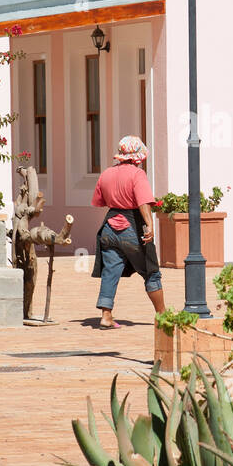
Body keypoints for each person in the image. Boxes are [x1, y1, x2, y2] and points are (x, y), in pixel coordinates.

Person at [91, 136, 165, 328]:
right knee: (151, 272)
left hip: (109, 227)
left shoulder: (106, 173)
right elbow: (143, 202)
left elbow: (99, 201)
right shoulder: (137, 174)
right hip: (131, 228)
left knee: (110, 271)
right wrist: (149, 225)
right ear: (137, 157)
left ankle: (106, 316)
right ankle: (162, 316)